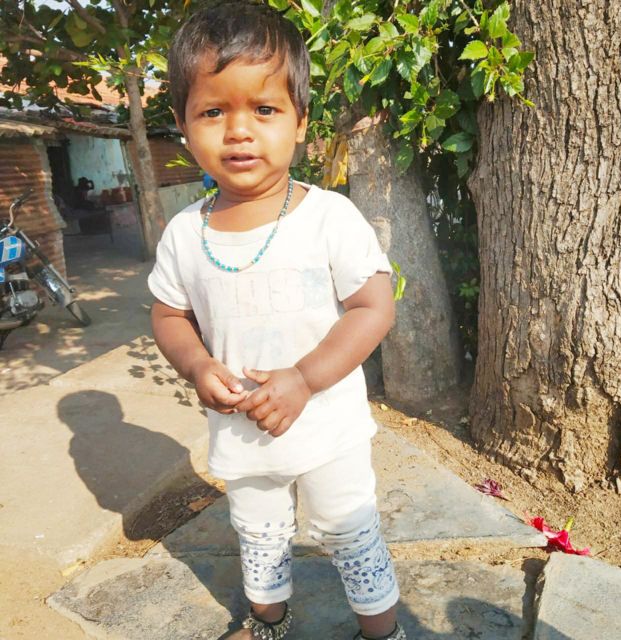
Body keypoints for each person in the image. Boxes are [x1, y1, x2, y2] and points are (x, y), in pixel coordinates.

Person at [148, 2, 405, 638]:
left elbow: (374, 307)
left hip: (329, 425)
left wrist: (305, 378)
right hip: (243, 432)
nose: (239, 131)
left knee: (349, 529)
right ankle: (268, 620)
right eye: (213, 111)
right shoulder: (184, 233)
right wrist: (196, 363)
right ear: (183, 125)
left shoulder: (329, 217)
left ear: (300, 121)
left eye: (264, 109)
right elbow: (169, 313)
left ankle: (382, 630)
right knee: (258, 532)